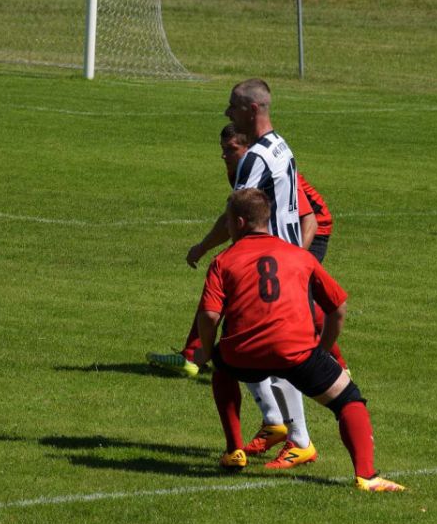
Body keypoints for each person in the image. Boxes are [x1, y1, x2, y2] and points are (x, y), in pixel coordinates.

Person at [147, 123, 348, 460]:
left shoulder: (270, 170)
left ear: (249, 148)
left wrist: (294, 262)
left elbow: (311, 219)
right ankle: (274, 421)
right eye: (223, 150)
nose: (225, 156)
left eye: (232, 150)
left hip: (308, 234)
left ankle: (327, 377)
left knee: (290, 321)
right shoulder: (243, 177)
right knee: (242, 323)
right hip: (267, 248)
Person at [196, 189, 405, 492]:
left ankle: (234, 450)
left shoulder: (223, 260)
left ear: (239, 223)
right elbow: (338, 308)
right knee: (349, 400)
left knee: (222, 367)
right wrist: (323, 351)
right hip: (296, 352)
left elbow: (210, 315)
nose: (227, 227)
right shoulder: (299, 255)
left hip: (243, 353)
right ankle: (367, 476)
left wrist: (206, 350)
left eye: (228, 222)